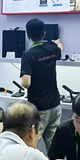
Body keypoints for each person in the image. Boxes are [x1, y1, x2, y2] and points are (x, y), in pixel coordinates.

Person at [20, 18, 64, 151]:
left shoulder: (28, 55)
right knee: (54, 146)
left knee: (31, 144)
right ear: (44, 34)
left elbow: (26, 83)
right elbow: (60, 49)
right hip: (55, 105)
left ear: (28, 35)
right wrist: (58, 42)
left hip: (38, 108)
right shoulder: (51, 49)